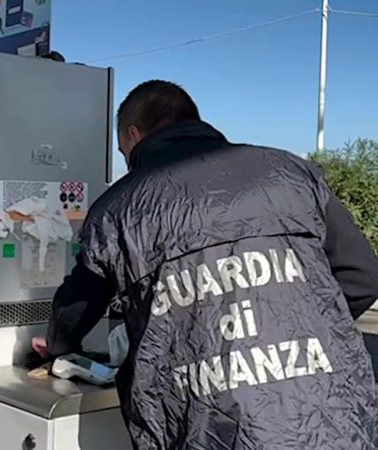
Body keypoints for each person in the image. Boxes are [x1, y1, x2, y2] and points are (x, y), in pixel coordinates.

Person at [32, 80, 378, 449]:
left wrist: (58, 345)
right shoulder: (293, 173)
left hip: (208, 423)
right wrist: (293, 331)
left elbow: (76, 307)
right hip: (329, 417)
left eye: (123, 150)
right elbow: (363, 277)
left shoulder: (118, 208)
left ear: (134, 134)